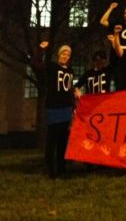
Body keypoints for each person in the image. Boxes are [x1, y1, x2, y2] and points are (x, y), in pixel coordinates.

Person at [32, 42, 74, 179]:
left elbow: (69, 89)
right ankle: (51, 171)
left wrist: (74, 104)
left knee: (63, 140)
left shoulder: (70, 71)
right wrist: (41, 49)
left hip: (66, 108)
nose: (65, 56)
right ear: (58, 55)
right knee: (52, 140)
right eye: (63, 53)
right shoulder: (52, 67)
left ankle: (62, 169)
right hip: (54, 107)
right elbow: (36, 64)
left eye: (68, 54)